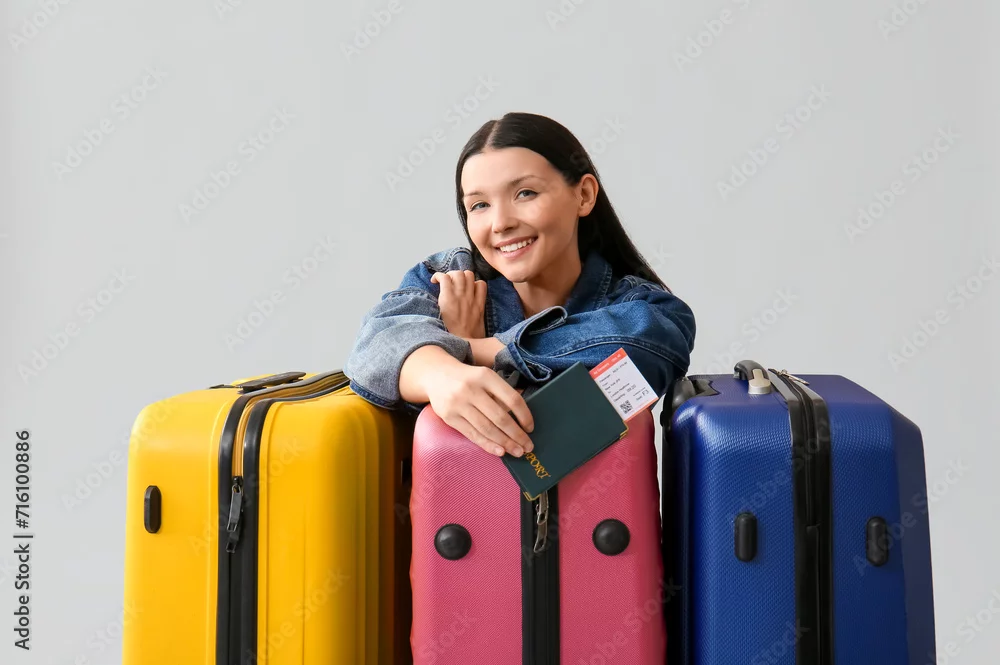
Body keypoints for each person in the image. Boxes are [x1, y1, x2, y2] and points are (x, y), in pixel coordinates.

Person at [344, 112, 696, 460]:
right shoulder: (450, 279)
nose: (500, 223)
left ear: (584, 195)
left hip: (595, 500)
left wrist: (470, 349)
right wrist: (441, 375)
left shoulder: (638, 305)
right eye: (479, 205)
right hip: (456, 499)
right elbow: (375, 345)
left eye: (525, 193)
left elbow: (648, 345)